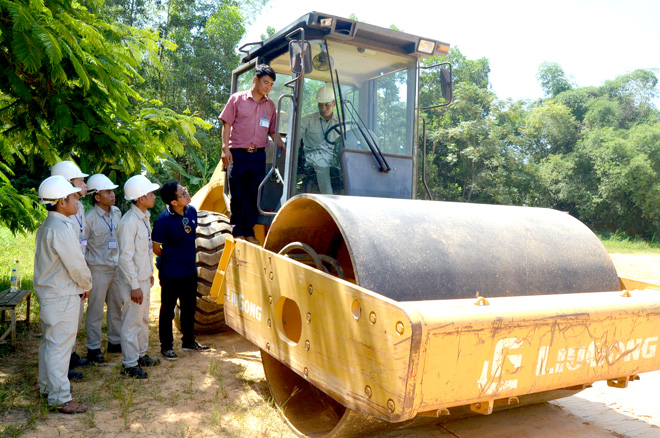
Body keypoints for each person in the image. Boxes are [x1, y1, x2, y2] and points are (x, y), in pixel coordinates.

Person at [34, 175, 92, 414]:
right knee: (60, 347)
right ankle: (60, 397)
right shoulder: (61, 228)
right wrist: (86, 283)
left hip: (51, 294)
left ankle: (47, 387)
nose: (77, 201)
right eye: (73, 197)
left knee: (50, 343)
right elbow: (76, 264)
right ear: (60, 202)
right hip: (63, 294)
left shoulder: (48, 225)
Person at [219, 63, 284, 244]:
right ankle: (237, 231)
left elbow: (272, 131)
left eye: (271, 84)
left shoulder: (270, 106)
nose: (268, 87)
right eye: (265, 82)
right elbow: (227, 124)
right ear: (255, 80)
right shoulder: (237, 99)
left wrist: (281, 145)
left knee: (254, 194)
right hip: (238, 154)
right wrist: (225, 149)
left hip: (258, 156)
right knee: (238, 194)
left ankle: (249, 231)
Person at [152, 182, 209, 360]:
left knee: (189, 307)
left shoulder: (191, 211)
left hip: (189, 270)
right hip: (171, 273)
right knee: (168, 310)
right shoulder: (163, 220)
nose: (187, 193)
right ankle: (166, 346)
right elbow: (156, 247)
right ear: (174, 202)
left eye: (185, 190)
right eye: (182, 193)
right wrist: (171, 258)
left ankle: (188, 341)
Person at [117, 175, 161, 379]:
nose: (154, 196)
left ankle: (141, 354)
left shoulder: (143, 217)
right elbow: (125, 258)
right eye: (150, 194)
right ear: (141, 198)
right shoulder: (129, 222)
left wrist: (149, 274)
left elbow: (143, 251)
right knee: (132, 321)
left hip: (143, 277)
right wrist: (135, 285)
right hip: (132, 280)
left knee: (143, 319)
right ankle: (129, 363)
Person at [51, 160, 90, 377]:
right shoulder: (62, 218)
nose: (84, 185)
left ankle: (71, 356)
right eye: (80, 181)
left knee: (75, 321)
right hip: (67, 278)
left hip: (76, 273)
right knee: (63, 329)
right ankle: (63, 368)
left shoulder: (79, 207)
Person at [84, 174, 123, 363]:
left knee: (116, 306)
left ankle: (115, 342)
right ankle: (93, 348)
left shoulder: (116, 212)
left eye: (113, 191)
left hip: (115, 268)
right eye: (108, 192)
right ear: (97, 197)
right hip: (97, 270)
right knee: (95, 310)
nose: (112, 194)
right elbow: (82, 248)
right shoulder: (89, 219)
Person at [299, 85, 340, 194]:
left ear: (334, 104)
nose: (323, 109)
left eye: (327, 105)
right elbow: (293, 137)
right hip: (311, 157)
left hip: (333, 157)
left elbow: (348, 142)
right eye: (320, 105)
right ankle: (329, 201)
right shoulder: (307, 120)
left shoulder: (341, 123)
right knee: (321, 161)